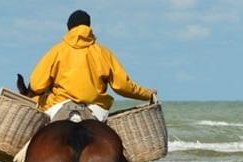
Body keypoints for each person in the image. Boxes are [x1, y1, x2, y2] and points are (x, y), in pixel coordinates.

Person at [24, 10, 156, 121]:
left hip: (59, 105)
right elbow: (123, 86)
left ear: (69, 29)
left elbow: (36, 85)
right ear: (89, 27)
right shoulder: (103, 52)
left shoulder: (57, 51)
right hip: (96, 109)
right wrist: (147, 94)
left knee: (37, 136)